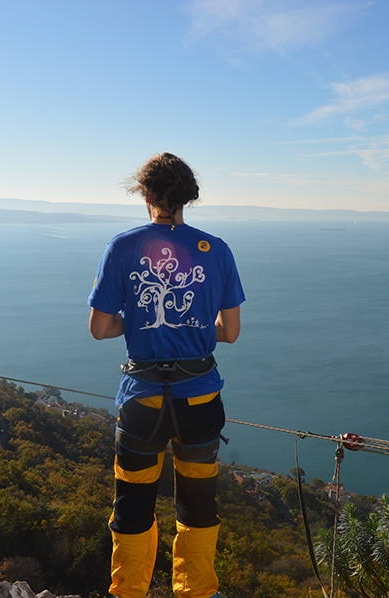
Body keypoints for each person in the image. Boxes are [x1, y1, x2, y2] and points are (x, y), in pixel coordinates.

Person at [88, 152, 245, 598]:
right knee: (198, 506)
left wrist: (135, 324)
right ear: (188, 197)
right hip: (198, 401)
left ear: (145, 194)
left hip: (141, 401)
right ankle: (195, 591)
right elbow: (229, 333)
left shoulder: (122, 247)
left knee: (133, 504)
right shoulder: (216, 250)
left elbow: (100, 328)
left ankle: (128, 592)